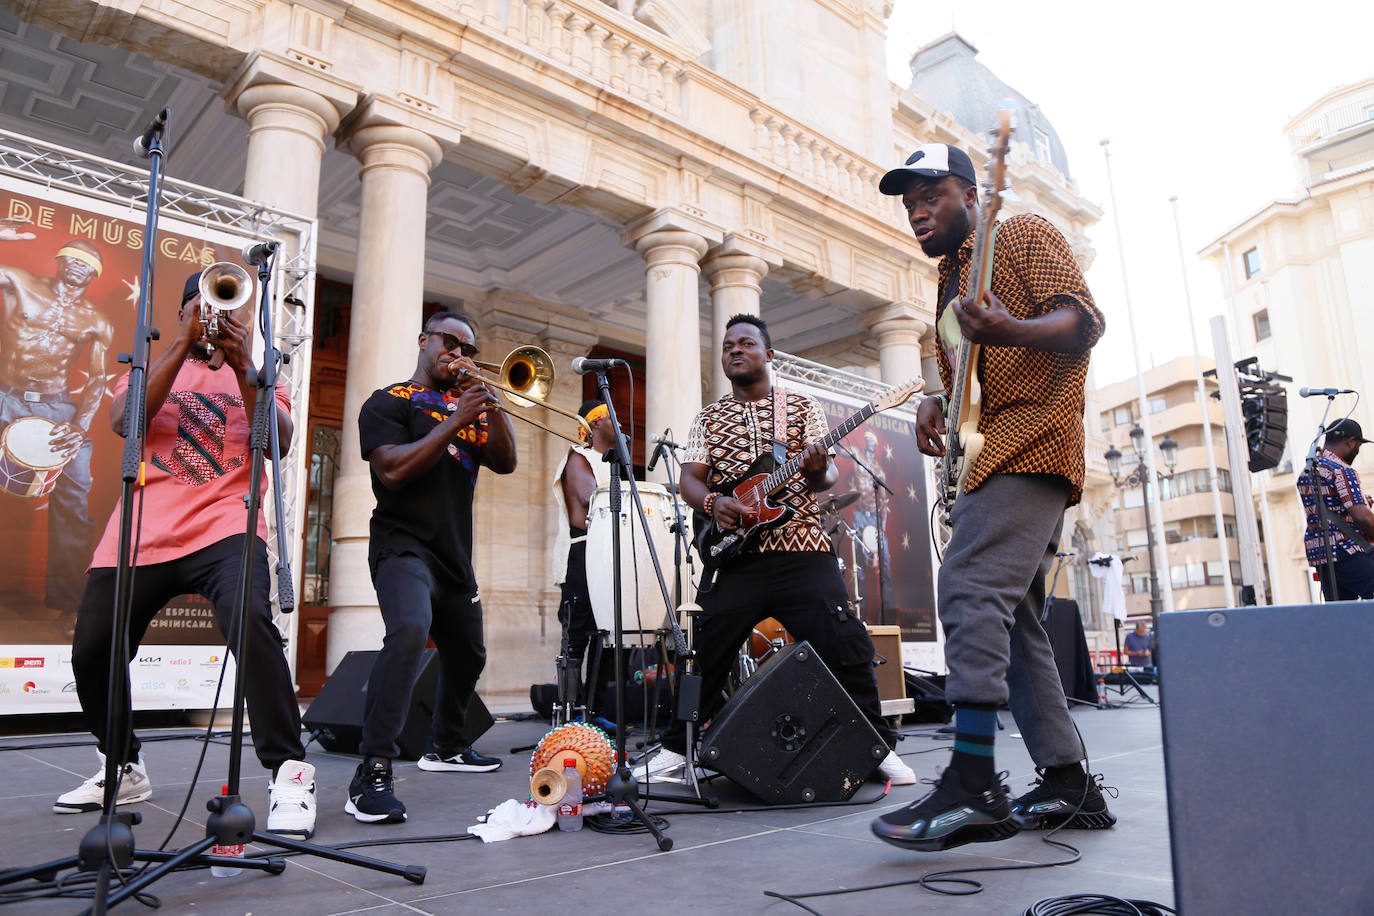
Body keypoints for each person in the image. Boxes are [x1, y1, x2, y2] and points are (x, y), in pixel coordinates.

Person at [870, 143, 1115, 852]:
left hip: (1034, 440)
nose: (917, 210)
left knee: (971, 586)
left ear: (973, 194)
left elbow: (1082, 322)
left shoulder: (1022, 233)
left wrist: (1012, 327)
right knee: (1015, 623)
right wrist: (936, 402)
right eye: (908, 201)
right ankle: (1070, 783)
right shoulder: (950, 284)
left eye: (931, 195)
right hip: (992, 443)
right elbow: (972, 382)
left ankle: (974, 782)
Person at [56, 271, 316, 839]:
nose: (214, 318)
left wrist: (248, 366)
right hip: (141, 531)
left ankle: (289, 772)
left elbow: (279, 442)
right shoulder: (148, 367)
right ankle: (122, 765)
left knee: (250, 623)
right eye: (203, 307)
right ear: (182, 313)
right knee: (93, 650)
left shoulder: (262, 372)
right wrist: (180, 347)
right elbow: (128, 425)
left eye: (224, 306)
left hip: (227, 524)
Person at [634, 314, 915, 787]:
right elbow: (689, 477)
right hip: (738, 558)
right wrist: (712, 502)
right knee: (704, 653)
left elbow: (826, 481)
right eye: (728, 346)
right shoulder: (709, 416)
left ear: (770, 354)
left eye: (746, 343)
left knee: (847, 646)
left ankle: (876, 744)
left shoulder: (801, 409)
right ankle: (675, 747)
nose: (735, 351)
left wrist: (819, 467)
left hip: (801, 548)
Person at [347, 311, 517, 824]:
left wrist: (494, 403)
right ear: (424, 340)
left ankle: (445, 746)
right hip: (402, 545)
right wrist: (458, 420)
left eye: (467, 347)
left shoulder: (468, 407)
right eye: (450, 341)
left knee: (469, 652)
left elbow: (506, 462)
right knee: (410, 632)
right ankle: (371, 771)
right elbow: (393, 470)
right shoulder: (388, 401)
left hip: (453, 554)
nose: (458, 352)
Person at [0, 223, 114, 631]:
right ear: (59, 259)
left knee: (75, 500)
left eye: (89, 263)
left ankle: (71, 604)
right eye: (74, 257)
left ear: (96, 274)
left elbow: (99, 379)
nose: (80, 266)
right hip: (4, 394)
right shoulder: (19, 281)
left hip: (57, 406)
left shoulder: (97, 321)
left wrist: (81, 426)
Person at [550, 399, 620, 706]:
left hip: (609, 556)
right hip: (583, 554)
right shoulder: (578, 457)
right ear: (594, 424)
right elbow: (592, 499)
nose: (618, 421)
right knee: (576, 636)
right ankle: (570, 714)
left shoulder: (616, 463)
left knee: (607, 637)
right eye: (610, 416)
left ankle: (595, 710)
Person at [1296, 417, 1374, 600]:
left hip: (1322, 557)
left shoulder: (1307, 472)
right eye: (1358, 446)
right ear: (1351, 441)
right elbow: (1362, 517)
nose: (1357, 451)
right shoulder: (1342, 470)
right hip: (1348, 552)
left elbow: (1328, 508)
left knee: (1343, 617)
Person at [849, 430, 892, 613]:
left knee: (885, 563)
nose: (869, 444)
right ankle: (861, 613)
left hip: (874, 516)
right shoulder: (856, 453)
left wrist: (880, 529)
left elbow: (883, 501)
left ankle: (890, 610)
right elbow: (841, 450)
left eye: (872, 442)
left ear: (876, 447)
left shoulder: (879, 471)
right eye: (867, 441)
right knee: (859, 565)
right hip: (859, 514)